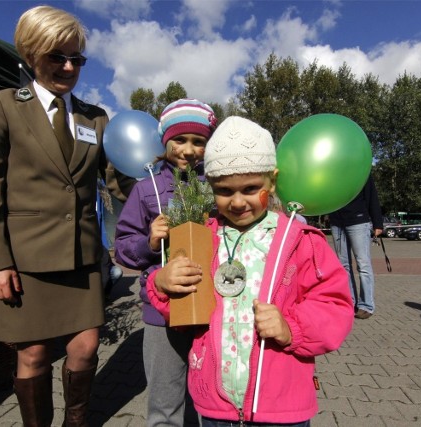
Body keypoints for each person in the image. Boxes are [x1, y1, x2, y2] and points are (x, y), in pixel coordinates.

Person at [145, 116, 354, 426]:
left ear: (272, 180)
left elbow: (334, 304)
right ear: (211, 186)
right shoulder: (202, 236)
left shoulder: (299, 240)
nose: (239, 201)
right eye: (225, 191)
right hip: (215, 405)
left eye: (251, 188)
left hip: (281, 407)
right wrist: (162, 283)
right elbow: (180, 308)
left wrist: (291, 328)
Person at [0, 6, 112, 425]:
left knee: (85, 348)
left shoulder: (96, 118)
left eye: (77, 59)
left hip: (82, 258)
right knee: (32, 354)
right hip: (25, 259)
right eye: (57, 57)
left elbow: (118, 181)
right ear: (32, 54)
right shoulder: (3, 106)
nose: (69, 67)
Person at [114, 98, 217, 426]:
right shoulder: (146, 190)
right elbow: (123, 249)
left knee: (212, 400)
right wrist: (149, 242)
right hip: (162, 315)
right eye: (180, 140)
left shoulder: (218, 189)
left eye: (198, 142)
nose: (188, 150)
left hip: (211, 312)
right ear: (165, 141)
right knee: (165, 402)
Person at [328, 175, 384, 319]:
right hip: (337, 222)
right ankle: (350, 302)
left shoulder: (361, 171)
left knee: (363, 265)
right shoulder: (331, 172)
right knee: (343, 266)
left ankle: (366, 305)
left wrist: (378, 222)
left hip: (358, 221)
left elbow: (372, 196)